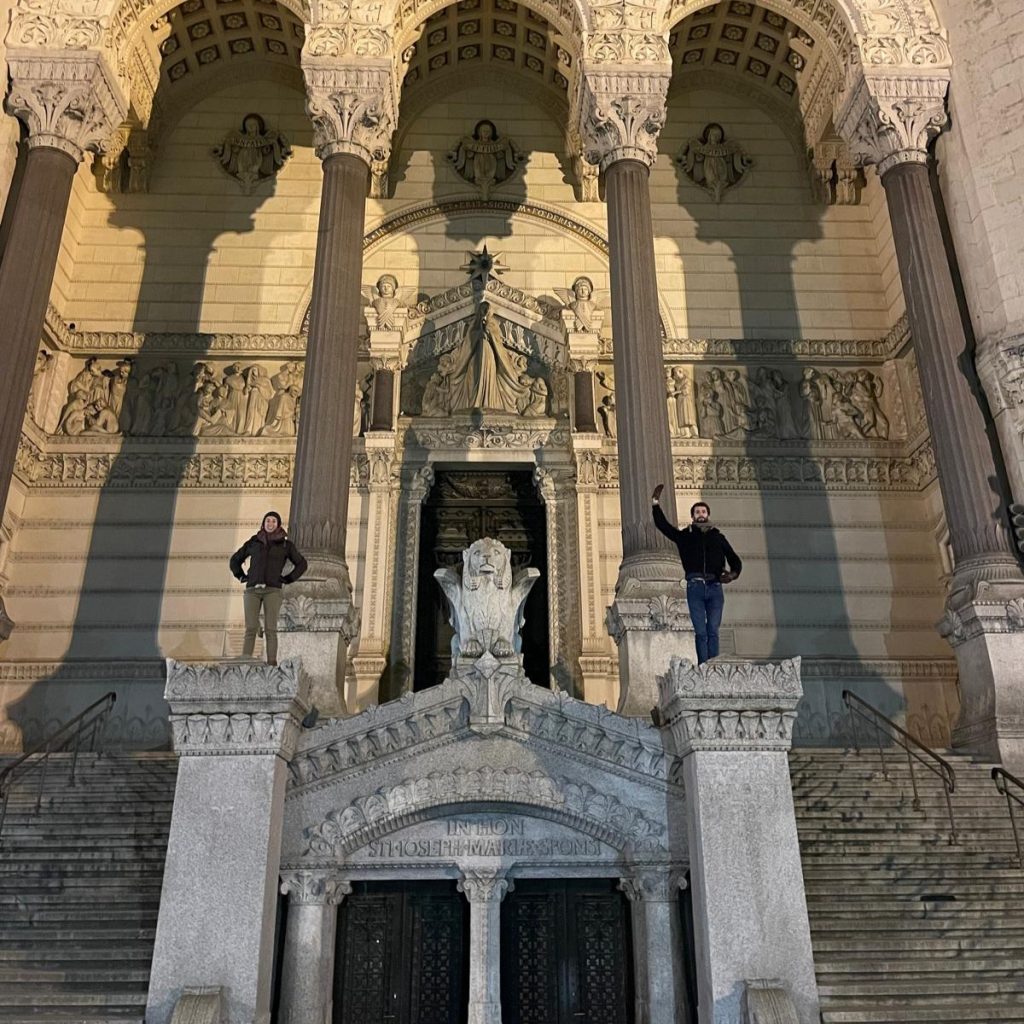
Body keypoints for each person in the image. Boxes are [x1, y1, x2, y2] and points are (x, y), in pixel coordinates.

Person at [651, 485, 742, 665]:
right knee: (700, 632)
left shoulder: (718, 537)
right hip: (695, 587)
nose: (701, 514)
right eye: (697, 511)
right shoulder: (686, 536)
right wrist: (655, 504)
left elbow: (735, 559)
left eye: (703, 511)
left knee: (713, 630)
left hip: (715, 587)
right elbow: (665, 527)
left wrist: (733, 574)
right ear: (693, 516)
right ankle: (703, 667)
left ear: (708, 514)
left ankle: (713, 665)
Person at [229, 512, 308, 666]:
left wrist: (288, 578)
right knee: (251, 627)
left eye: (273, 521)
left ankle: (271, 662)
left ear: (278, 525)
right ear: (263, 523)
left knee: (270, 629)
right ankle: (245, 661)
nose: (270, 523)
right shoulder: (254, 542)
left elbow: (302, 564)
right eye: (267, 521)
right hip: (252, 589)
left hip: (272, 590)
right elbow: (235, 560)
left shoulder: (285, 545)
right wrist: (241, 576)